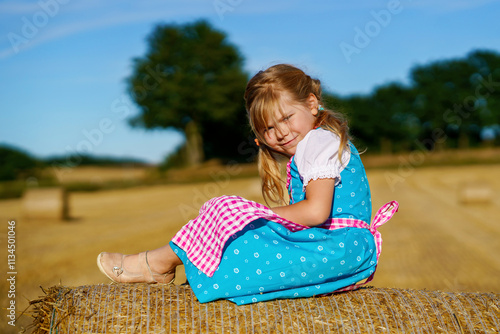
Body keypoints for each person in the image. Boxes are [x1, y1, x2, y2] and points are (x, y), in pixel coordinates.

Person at [97, 64, 398, 305]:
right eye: (268, 128)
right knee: (228, 217)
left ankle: (155, 264)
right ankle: (158, 264)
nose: (280, 132)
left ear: (312, 103)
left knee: (234, 221)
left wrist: (258, 214)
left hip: (337, 249)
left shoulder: (319, 142)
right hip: (333, 247)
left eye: (286, 118)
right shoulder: (314, 142)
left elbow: (317, 212)